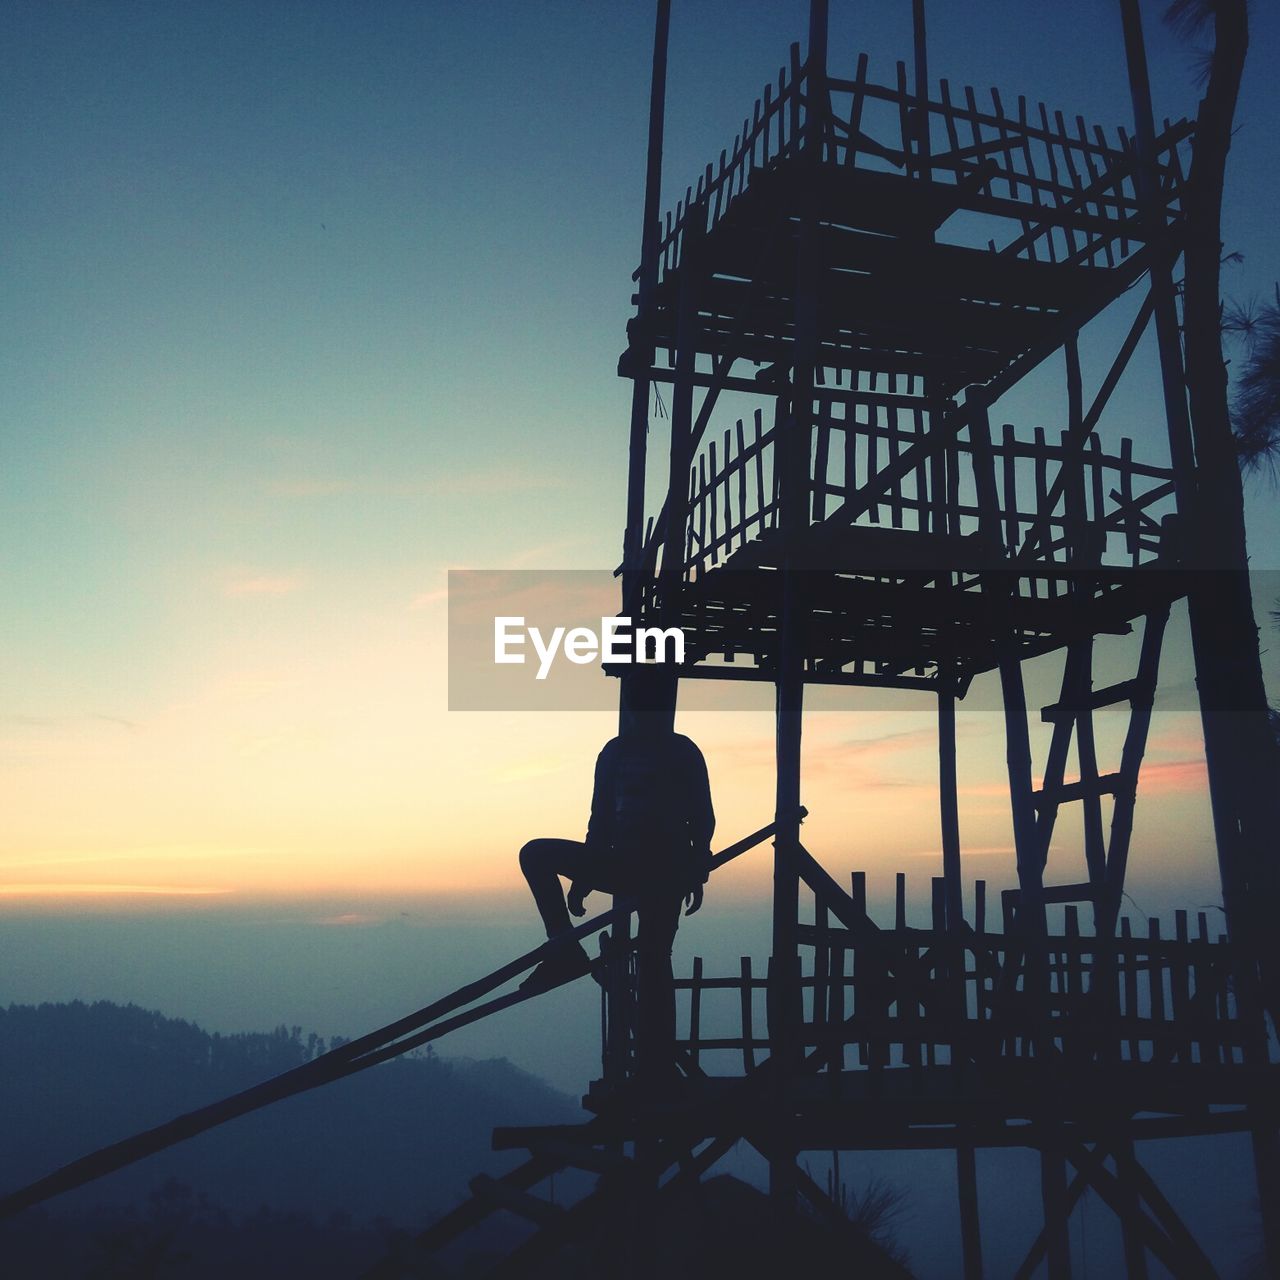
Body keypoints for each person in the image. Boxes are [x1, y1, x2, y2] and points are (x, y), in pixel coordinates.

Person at [517, 668, 714, 1080]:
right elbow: (600, 818)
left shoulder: (683, 752)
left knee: (655, 960)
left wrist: (697, 868)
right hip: (620, 864)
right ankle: (564, 946)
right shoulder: (614, 753)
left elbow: (702, 818)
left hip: (665, 872)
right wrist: (583, 877)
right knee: (535, 855)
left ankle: (656, 1064)